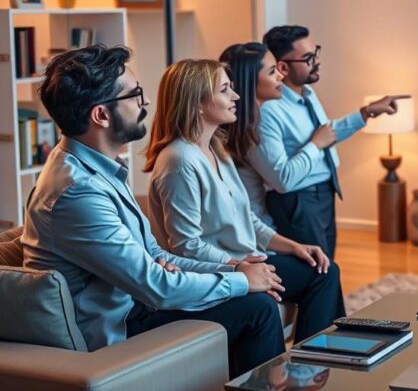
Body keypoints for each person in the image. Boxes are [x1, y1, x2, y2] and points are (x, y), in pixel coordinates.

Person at [20, 46, 285, 378]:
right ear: (101, 115)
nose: (144, 104)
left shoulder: (97, 169)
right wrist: (240, 282)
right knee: (256, 308)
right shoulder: (79, 192)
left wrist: (235, 269)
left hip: (136, 304)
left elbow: (155, 254)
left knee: (257, 300)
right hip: (119, 328)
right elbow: (156, 286)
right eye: (134, 95)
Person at [145, 58, 344, 342]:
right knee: (272, 300)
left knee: (323, 270)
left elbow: (247, 218)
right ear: (197, 102)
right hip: (213, 274)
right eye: (225, 89)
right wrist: (238, 267)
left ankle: (314, 366)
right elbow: (186, 246)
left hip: (243, 261)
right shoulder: (179, 160)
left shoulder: (216, 149)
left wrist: (294, 247)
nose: (236, 96)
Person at [251, 25, 408, 256]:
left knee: (328, 266)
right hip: (299, 202)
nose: (317, 61)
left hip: (323, 194)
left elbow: (327, 133)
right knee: (318, 272)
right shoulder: (269, 110)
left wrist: (367, 112)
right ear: (283, 67)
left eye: (316, 52)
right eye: (308, 58)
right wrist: (315, 144)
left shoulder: (307, 93)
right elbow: (283, 178)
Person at [219, 42, 285, 227]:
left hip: (257, 224)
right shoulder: (252, 129)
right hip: (252, 229)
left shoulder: (245, 124)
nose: (281, 76)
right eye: (272, 72)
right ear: (249, 80)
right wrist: (316, 144)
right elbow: (282, 180)